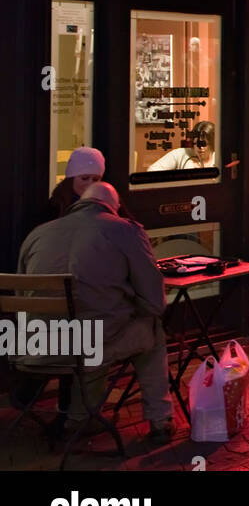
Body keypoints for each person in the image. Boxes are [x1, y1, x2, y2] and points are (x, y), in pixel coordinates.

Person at [15, 183, 173, 443]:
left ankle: (80, 418)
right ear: (115, 206)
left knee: (93, 334)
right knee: (149, 330)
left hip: (34, 347)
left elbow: (22, 300)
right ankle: (160, 420)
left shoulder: (38, 234)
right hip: (85, 347)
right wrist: (133, 307)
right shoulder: (124, 230)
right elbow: (154, 301)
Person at [147, 121, 216, 170]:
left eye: (204, 144)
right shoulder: (181, 153)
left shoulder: (218, 157)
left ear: (211, 144)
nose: (201, 148)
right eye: (197, 143)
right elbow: (152, 170)